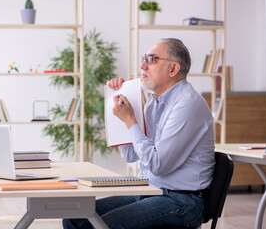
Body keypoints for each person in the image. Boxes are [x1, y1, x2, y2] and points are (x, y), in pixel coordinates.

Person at [63, 38, 215, 229]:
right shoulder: (154, 101)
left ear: (173, 69)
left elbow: (158, 165)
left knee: (101, 226)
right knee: (74, 217)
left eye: (151, 59)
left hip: (182, 200)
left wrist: (131, 121)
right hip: (151, 190)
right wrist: (124, 99)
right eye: (144, 58)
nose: (142, 65)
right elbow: (130, 155)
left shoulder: (187, 104)